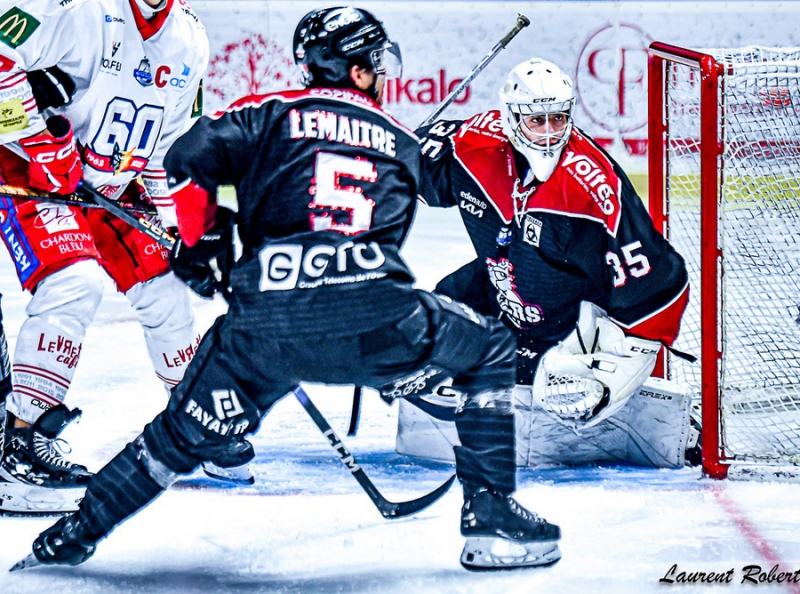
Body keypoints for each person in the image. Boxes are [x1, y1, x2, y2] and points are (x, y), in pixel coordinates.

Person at [21, 7, 562, 571]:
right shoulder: (400, 142)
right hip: (377, 326)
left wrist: (204, 236)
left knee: (172, 440)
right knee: (491, 348)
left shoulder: (266, 114)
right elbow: (442, 189)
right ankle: (490, 514)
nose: (381, 72)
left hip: (265, 331)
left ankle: (73, 535)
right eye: (375, 62)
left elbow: (183, 157)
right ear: (357, 70)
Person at [0, 0, 249, 515]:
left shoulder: (189, 38)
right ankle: (18, 445)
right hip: (28, 175)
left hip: (110, 188)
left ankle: (194, 420)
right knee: (76, 282)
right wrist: (41, 141)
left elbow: (170, 147)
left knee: (167, 286)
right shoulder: (76, 8)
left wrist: (182, 228)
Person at [402, 57, 695, 469]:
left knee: (563, 388)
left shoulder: (593, 189)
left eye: (558, 119)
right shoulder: (473, 146)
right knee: (410, 337)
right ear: (509, 118)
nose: (548, 133)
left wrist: (610, 379)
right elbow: (409, 162)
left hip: (567, 327)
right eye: (535, 120)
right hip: (499, 291)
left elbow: (660, 287)